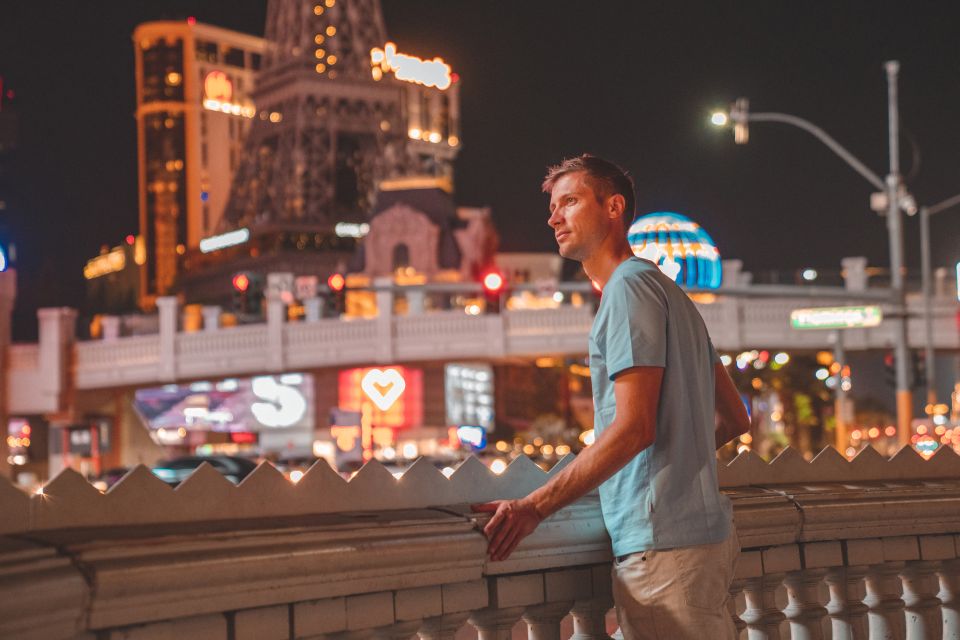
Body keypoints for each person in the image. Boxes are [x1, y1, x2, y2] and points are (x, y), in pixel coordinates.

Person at [472, 154, 750, 639]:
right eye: (553, 207)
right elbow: (736, 418)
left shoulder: (626, 291)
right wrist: (681, 460)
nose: (554, 217)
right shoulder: (671, 294)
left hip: (663, 551)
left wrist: (533, 506)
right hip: (703, 540)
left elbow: (634, 428)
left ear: (614, 206)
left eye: (571, 202)